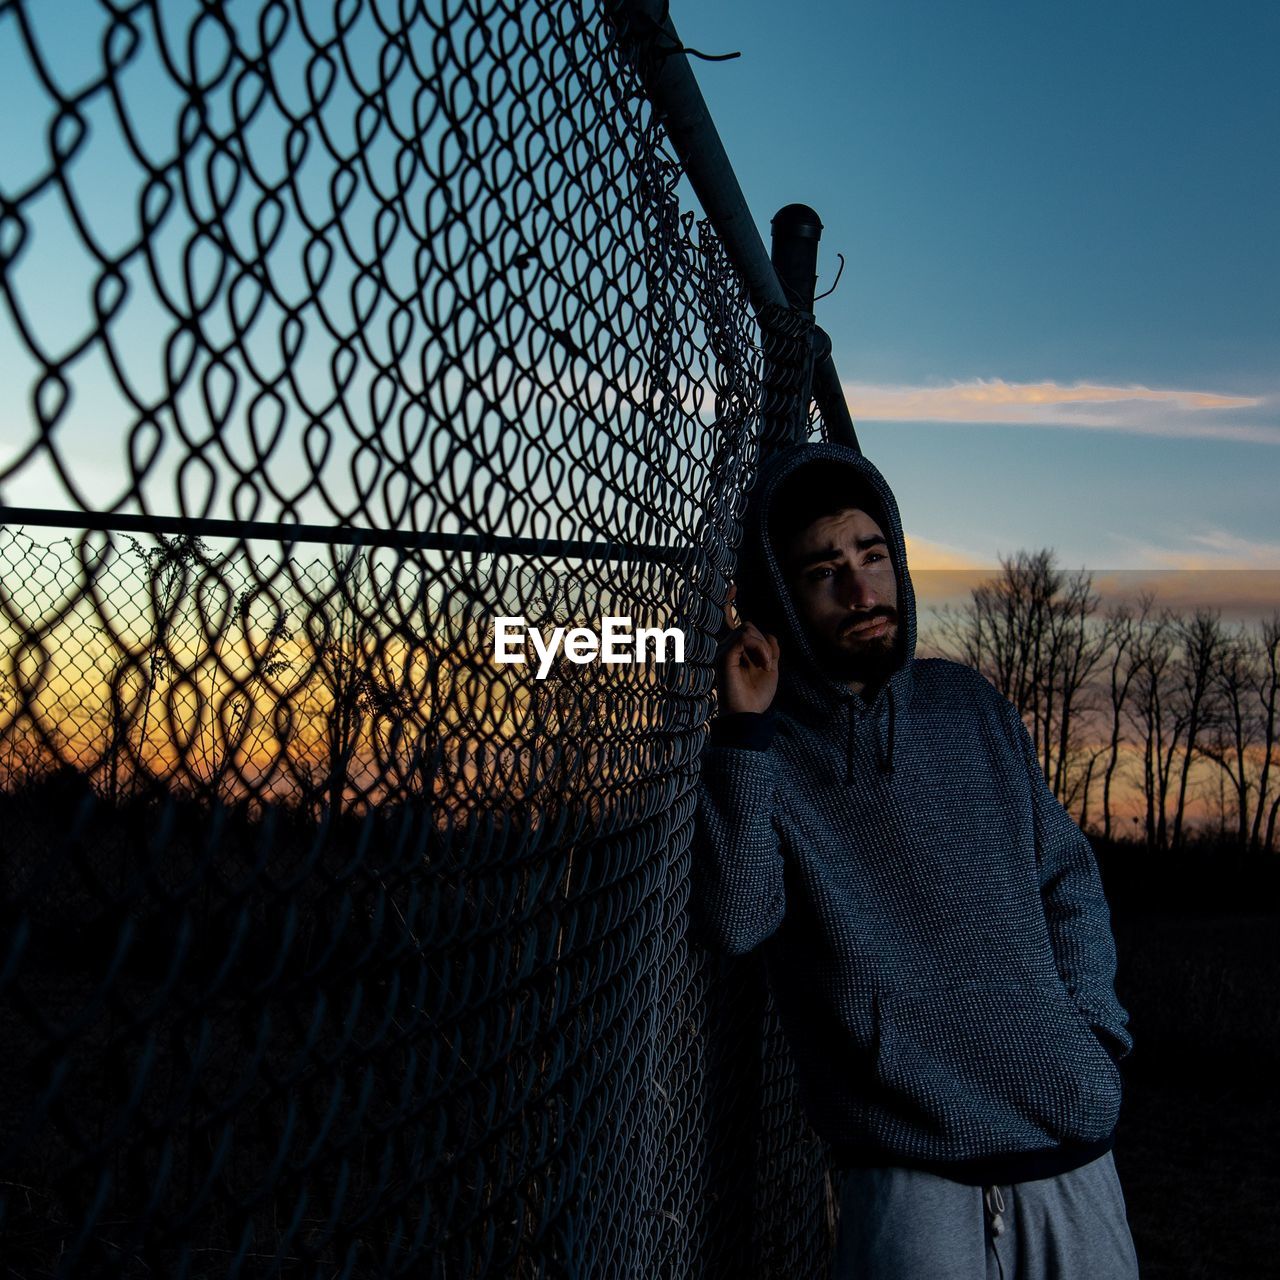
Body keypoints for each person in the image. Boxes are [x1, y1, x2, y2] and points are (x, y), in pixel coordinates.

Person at [692, 441, 1140, 1278]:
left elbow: (1067, 876)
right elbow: (736, 917)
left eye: (873, 556)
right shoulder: (771, 755)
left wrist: (1094, 1040)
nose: (863, 590)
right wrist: (745, 734)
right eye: (826, 572)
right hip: (905, 1176)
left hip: (1071, 1158)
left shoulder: (968, 705)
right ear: (783, 597)